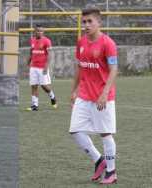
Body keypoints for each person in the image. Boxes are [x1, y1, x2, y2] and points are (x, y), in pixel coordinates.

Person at [69, 8, 118, 184]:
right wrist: (74, 91)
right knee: (75, 130)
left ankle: (111, 172)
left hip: (102, 97)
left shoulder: (108, 43)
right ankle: (99, 160)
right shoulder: (81, 42)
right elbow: (79, 67)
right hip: (84, 95)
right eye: (84, 22)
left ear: (99, 23)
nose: (86, 25)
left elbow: (114, 69)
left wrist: (104, 94)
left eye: (90, 21)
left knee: (105, 134)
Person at [26, 24, 57, 111]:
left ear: (43, 32)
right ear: (34, 31)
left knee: (44, 86)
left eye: (41, 31)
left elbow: (50, 55)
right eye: (38, 31)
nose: (39, 32)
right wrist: (28, 61)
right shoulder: (32, 40)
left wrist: (46, 66)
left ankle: (52, 96)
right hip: (33, 67)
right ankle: (34, 105)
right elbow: (31, 52)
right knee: (34, 85)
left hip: (42, 67)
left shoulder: (47, 41)